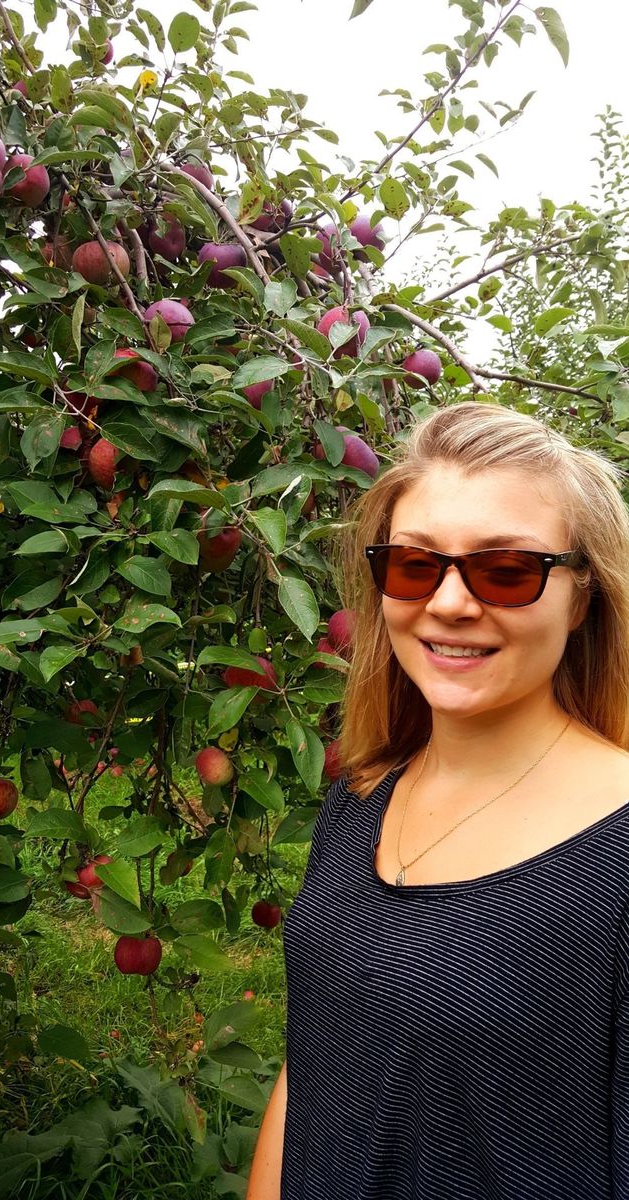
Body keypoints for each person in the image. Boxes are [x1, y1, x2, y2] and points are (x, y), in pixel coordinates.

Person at [245, 400, 629, 1200]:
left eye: (506, 570)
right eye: (414, 565)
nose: (449, 603)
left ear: (581, 596)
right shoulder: (361, 799)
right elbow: (314, 1059)